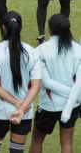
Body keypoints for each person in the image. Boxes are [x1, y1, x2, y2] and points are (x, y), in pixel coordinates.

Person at [0, 11, 41, 153]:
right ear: (20, 27)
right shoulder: (32, 52)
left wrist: (16, 104)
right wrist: (21, 108)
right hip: (24, 112)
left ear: (3, 27)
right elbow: (36, 86)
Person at [29, 14, 81, 153]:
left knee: (37, 140)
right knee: (67, 143)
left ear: (50, 29)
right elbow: (79, 83)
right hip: (72, 104)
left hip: (48, 105)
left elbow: (47, 82)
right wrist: (71, 100)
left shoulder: (40, 50)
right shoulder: (78, 49)